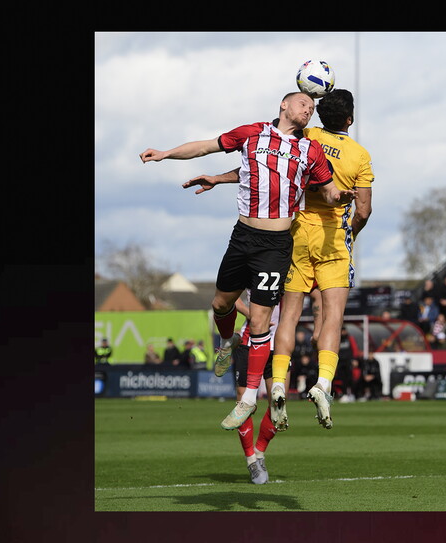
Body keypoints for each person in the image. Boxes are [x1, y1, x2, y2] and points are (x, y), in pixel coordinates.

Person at [141, 91, 354, 430]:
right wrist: (167, 154)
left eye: (313, 108)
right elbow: (207, 146)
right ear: (283, 105)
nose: (309, 109)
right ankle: (226, 342)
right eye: (303, 104)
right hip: (243, 236)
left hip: (277, 243)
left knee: (259, 322)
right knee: (220, 304)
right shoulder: (252, 134)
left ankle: (248, 398)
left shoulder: (309, 149)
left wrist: (336, 195)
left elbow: (326, 188)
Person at [192, 89, 372, 431]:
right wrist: (350, 235)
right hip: (334, 238)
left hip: (295, 232)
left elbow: (262, 165)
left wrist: (219, 177)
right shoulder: (359, 155)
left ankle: (276, 384)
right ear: (350, 119)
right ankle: (323, 384)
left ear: (319, 115)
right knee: (330, 318)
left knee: (287, 316)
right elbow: (363, 210)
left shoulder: (310, 136)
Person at [230, 293, 288, 484]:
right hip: (249, 342)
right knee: (244, 401)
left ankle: (259, 452)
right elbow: (227, 295)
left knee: (278, 405)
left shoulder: (294, 269)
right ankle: (251, 460)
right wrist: (250, 314)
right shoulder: (253, 264)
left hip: (280, 345)